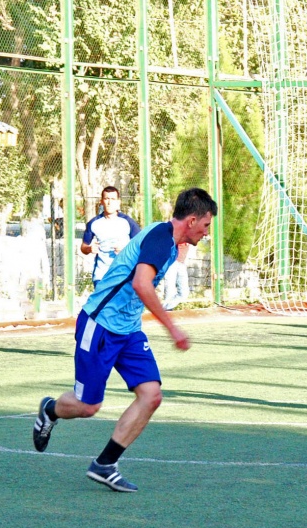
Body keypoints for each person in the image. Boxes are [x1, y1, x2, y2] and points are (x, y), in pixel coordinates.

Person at [32, 188, 218, 492]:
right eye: (206, 225)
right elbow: (142, 284)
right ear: (193, 219)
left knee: (151, 395)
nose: (207, 232)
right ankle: (50, 410)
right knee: (88, 406)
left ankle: (105, 464)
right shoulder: (161, 238)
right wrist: (173, 329)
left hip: (128, 330)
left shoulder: (170, 241)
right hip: (100, 326)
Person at [81, 186, 141, 286]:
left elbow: (141, 246)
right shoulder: (94, 223)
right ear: (101, 201)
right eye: (106, 199)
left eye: (113, 199)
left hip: (123, 274)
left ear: (118, 202)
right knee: (103, 302)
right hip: (101, 275)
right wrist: (89, 249)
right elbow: (83, 247)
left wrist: (125, 250)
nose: (109, 202)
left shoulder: (128, 222)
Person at [162, 242, 190, 311]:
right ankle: (166, 311)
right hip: (172, 263)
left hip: (182, 264)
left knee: (184, 293)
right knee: (170, 291)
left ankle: (166, 308)